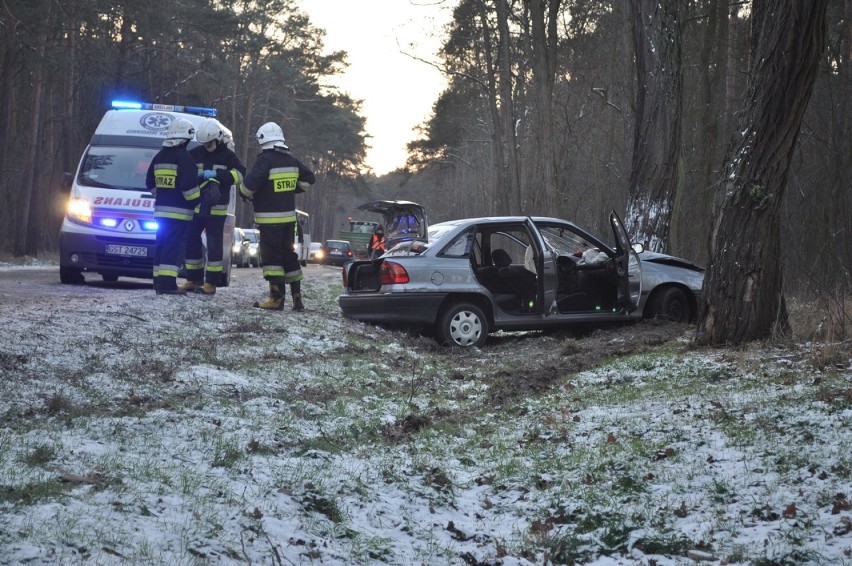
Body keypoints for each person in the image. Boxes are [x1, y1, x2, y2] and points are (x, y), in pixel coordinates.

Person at [240, 122, 316, 311]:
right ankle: (297, 298)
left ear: (262, 140)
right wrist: (290, 190)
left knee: (272, 259)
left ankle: (276, 299)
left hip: (269, 220)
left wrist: (246, 193)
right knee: (289, 256)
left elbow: (247, 186)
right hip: (289, 220)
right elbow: (309, 179)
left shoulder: (265, 160)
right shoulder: (291, 160)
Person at [179, 119, 246, 294]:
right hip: (197, 206)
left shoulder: (228, 156)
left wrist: (218, 175)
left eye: (209, 143)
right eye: (204, 143)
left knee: (214, 245)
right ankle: (193, 279)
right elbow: (185, 173)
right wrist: (198, 175)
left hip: (217, 209)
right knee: (191, 241)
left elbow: (240, 175)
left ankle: (211, 283)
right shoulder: (195, 154)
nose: (207, 146)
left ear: (218, 139)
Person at [146, 118, 202, 295]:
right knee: (172, 248)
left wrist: (163, 196)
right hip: (179, 215)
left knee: (161, 246)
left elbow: (150, 182)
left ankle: (157, 282)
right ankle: (168, 285)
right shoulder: (184, 158)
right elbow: (188, 187)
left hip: (161, 212)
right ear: (184, 139)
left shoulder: (159, 156)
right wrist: (197, 201)